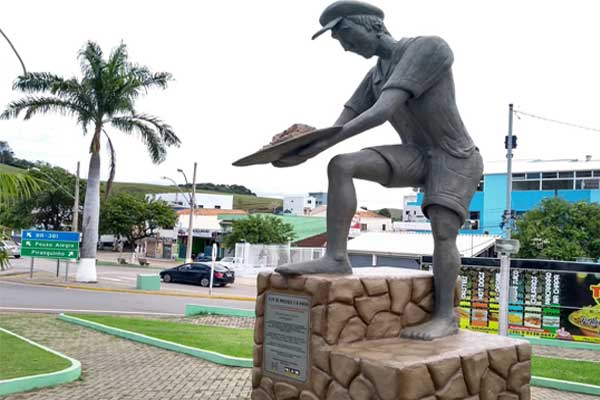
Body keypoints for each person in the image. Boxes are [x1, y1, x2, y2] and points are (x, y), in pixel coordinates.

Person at [274, 0, 483, 340]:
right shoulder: (375, 75)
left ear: (371, 25)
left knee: (444, 231)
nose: (344, 46)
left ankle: (445, 316)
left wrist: (318, 145)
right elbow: (341, 123)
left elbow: (382, 111)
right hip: (416, 154)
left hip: (453, 156)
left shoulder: (428, 48)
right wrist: (303, 147)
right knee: (342, 164)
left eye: (344, 34)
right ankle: (336, 257)